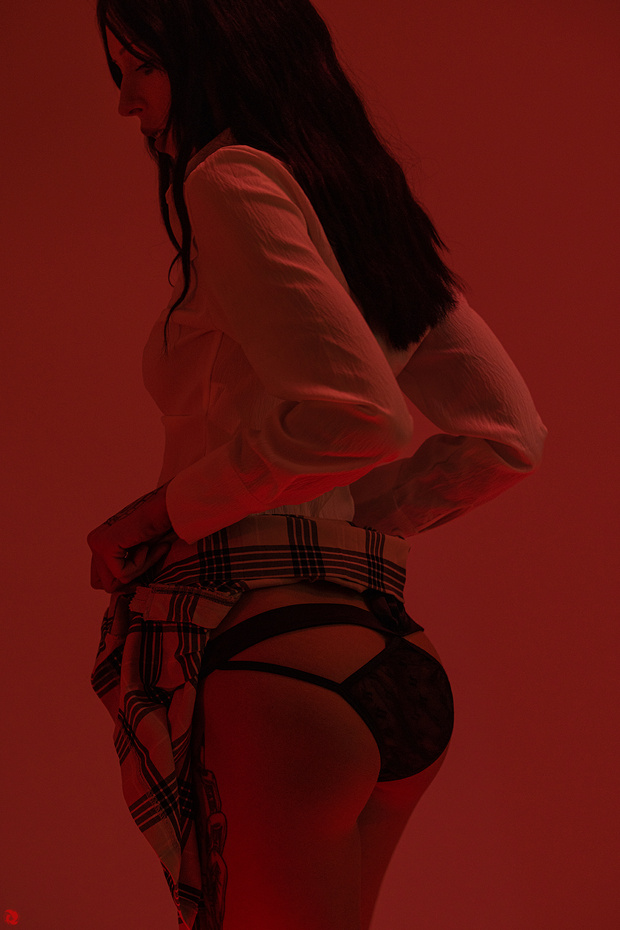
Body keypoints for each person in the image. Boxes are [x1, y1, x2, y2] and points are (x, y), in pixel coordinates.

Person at [87, 2, 547, 928]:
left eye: (144, 67)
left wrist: (164, 513)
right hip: (390, 660)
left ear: (221, 54)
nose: (127, 102)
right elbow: (508, 435)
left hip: (278, 668)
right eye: (121, 71)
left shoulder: (227, 178)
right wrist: (330, 527)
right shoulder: (358, 208)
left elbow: (355, 415)